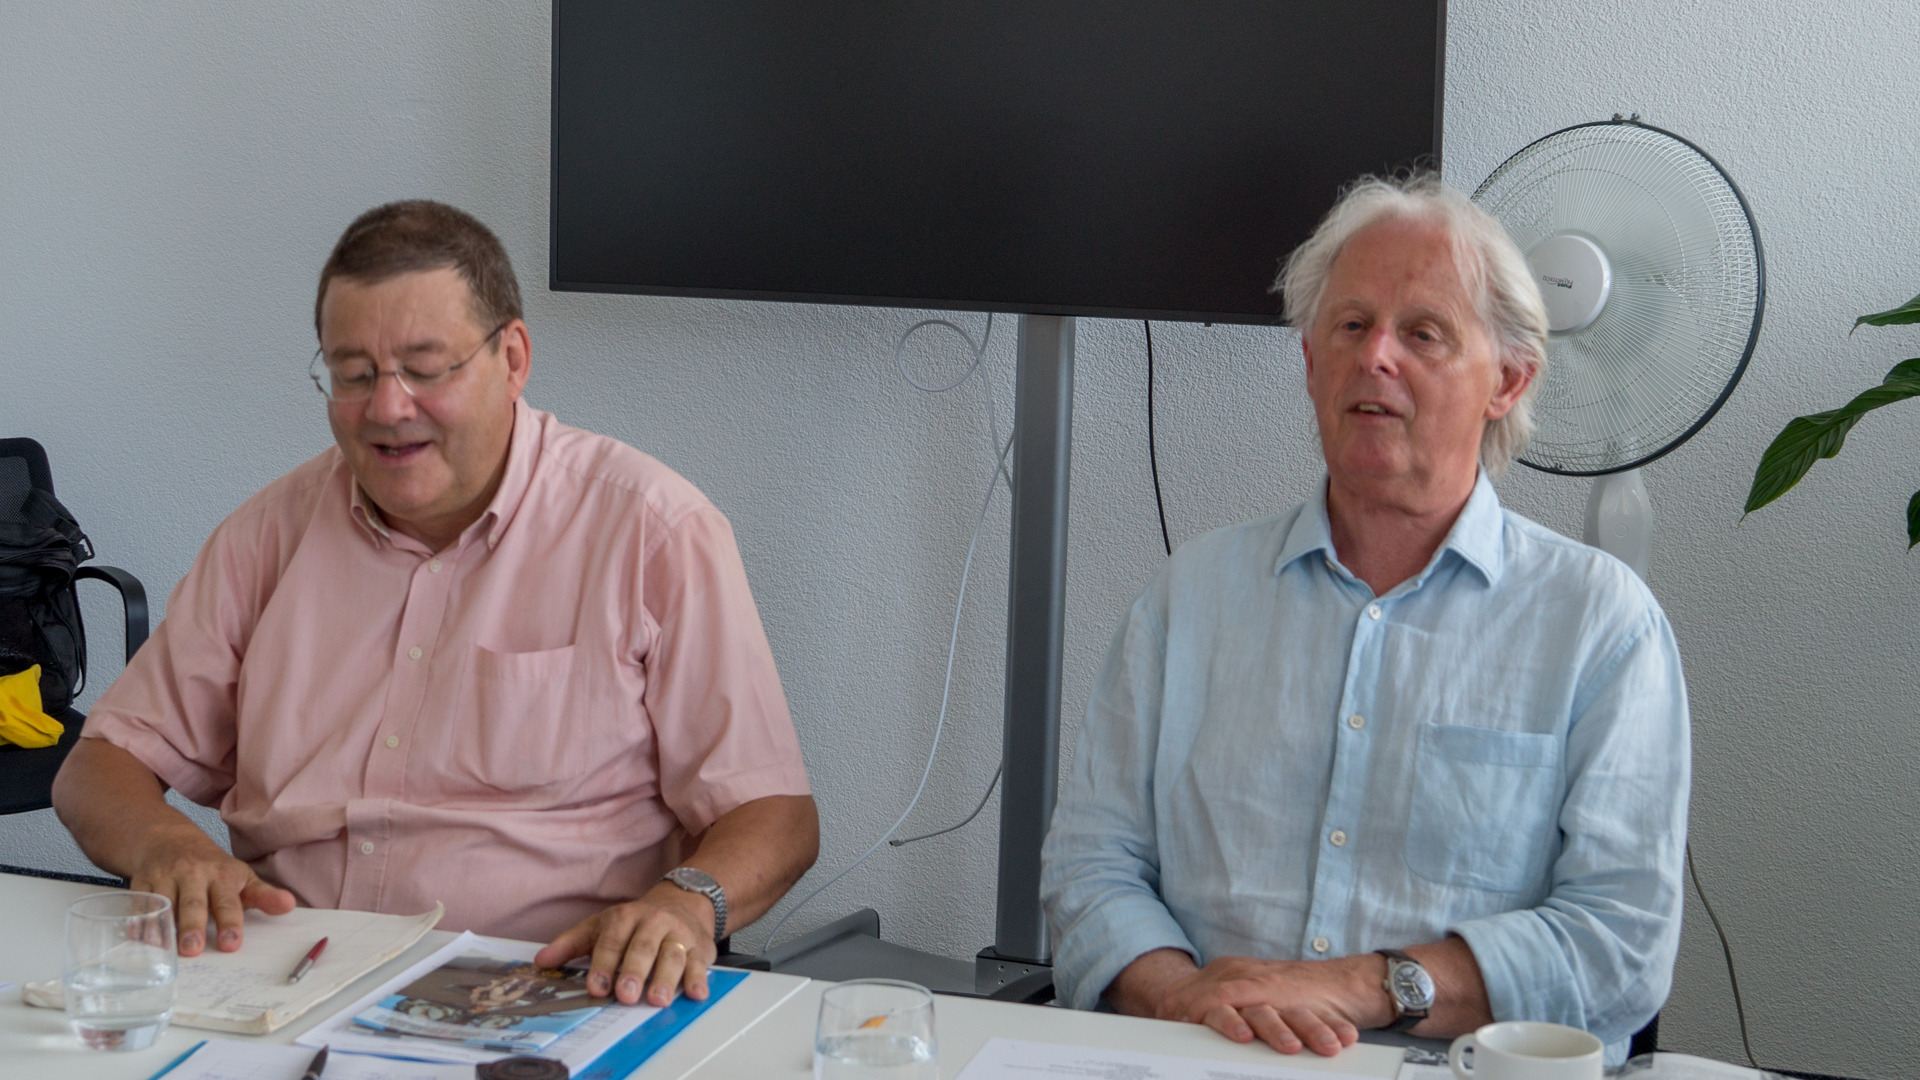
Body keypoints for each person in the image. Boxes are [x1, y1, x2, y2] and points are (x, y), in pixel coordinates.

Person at [52, 200, 819, 1010]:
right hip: (288, 981)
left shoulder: (651, 531)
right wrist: (166, 844)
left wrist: (686, 903)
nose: (387, 408)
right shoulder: (265, 536)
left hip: (546, 989)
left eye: (426, 368)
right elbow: (98, 769)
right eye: (353, 373)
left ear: (513, 358)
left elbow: (776, 815)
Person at [1040, 174, 1688, 1065]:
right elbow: (1091, 863)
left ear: (1508, 380)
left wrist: (1359, 985)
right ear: (1311, 363)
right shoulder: (1192, 595)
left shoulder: (1601, 624)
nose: (1375, 355)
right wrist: (1183, 995)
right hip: (1192, 1052)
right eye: (1350, 326)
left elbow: (1621, 946)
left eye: (1423, 332)